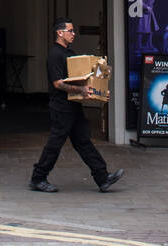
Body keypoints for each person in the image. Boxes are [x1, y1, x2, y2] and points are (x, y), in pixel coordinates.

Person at [29, 19, 123, 194]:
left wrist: (97, 92)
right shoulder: (55, 55)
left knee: (83, 141)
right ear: (60, 33)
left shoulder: (69, 53)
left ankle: (102, 178)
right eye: (70, 31)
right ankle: (38, 178)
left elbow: (81, 78)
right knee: (55, 143)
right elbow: (58, 84)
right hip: (60, 106)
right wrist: (81, 89)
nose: (74, 34)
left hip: (73, 104)